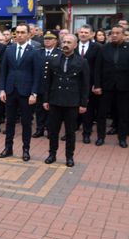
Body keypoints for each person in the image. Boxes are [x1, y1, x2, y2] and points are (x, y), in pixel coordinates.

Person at [42, 34, 89, 167]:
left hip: (72, 102)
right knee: (53, 130)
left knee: (70, 132)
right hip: (55, 100)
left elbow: (85, 84)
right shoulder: (53, 60)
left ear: (75, 45)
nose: (65, 45)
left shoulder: (82, 62)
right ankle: (52, 154)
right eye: (64, 42)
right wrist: (46, 100)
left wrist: (83, 103)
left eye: (69, 42)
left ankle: (69, 156)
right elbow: (47, 82)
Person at [0, 23, 41, 161]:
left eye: (23, 32)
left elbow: (37, 74)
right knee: (9, 121)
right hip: (10, 91)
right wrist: (2, 89)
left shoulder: (34, 51)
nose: (20, 35)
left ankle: (26, 149)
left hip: (26, 93)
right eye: (17, 32)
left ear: (29, 34)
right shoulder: (9, 50)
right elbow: (3, 71)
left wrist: (34, 93)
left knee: (26, 123)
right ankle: (8, 147)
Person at [93, 25, 129, 148]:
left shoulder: (128, 48)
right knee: (101, 114)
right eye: (112, 33)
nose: (114, 35)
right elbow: (97, 68)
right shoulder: (104, 49)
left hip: (124, 87)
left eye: (117, 33)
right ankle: (100, 137)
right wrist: (97, 85)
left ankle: (122, 138)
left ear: (123, 35)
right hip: (106, 86)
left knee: (123, 114)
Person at [32, 31, 61, 138]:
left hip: (53, 87)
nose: (47, 41)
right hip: (40, 86)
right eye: (45, 39)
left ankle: (50, 130)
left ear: (56, 41)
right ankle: (40, 129)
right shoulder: (38, 52)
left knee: (51, 110)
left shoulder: (60, 53)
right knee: (39, 110)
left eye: (50, 39)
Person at [76, 24, 102, 144]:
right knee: (72, 110)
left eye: (86, 32)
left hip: (89, 84)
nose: (83, 34)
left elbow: (98, 67)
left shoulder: (97, 47)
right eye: (81, 32)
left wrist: (96, 84)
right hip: (73, 83)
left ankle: (86, 133)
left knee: (88, 110)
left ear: (92, 34)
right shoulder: (73, 44)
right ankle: (71, 131)